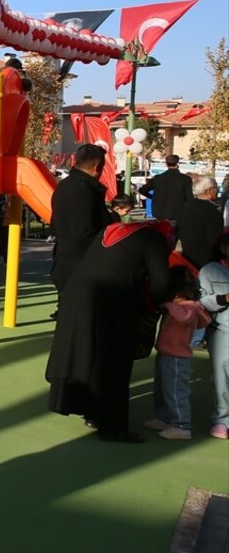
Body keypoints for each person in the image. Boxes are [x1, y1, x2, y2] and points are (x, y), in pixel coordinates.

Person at [45, 220, 174, 443]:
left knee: (86, 355)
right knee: (115, 361)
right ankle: (113, 427)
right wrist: (156, 304)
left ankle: (91, 411)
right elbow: (161, 282)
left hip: (76, 294)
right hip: (110, 299)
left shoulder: (111, 229)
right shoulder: (155, 240)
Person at [142, 267, 211, 441]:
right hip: (165, 353)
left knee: (175, 391)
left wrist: (169, 305)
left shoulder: (189, 307)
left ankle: (182, 425)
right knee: (162, 389)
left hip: (177, 358)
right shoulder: (180, 306)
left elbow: (184, 318)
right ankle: (166, 418)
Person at [49, 144, 114, 307]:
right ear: (97, 167)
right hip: (81, 267)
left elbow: (55, 224)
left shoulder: (64, 186)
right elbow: (84, 233)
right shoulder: (84, 191)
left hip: (67, 263)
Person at [198, 231, 229, 440]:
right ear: (224, 248)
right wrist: (225, 297)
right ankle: (222, 419)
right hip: (221, 331)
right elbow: (202, 303)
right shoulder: (209, 270)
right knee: (221, 378)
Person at [175, 174, 222, 269]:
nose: (217, 190)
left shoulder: (185, 207)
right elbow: (215, 238)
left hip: (188, 255)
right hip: (208, 261)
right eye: (215, 188)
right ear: (208, 190)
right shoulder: (212, 211)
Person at [138, 154, 193, 224]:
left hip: (159, 212)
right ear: (178, 164)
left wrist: (152, 196)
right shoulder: (185, 179)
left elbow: (142, 190)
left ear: (166, 164)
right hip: (178, 212)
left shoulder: (157, 178)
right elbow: (190, 198)